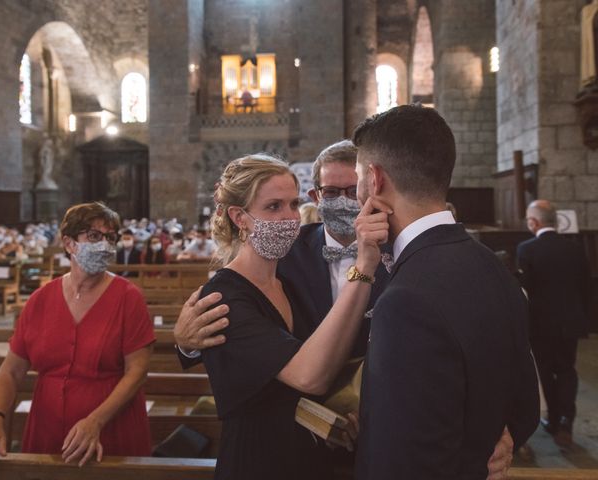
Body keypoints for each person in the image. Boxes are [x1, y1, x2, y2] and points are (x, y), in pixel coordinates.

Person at [174, 140, 515, 479]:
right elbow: (239, 328)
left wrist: (487, 423)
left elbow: (472, 340)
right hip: (280, 450)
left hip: (384, 438)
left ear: (372, 189)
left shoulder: (409, 254)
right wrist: (186, 344)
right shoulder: (286, 256)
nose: (289, 217)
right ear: (317, 197)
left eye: (353, 192)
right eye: (332, 191)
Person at [352, 105, 539, 479]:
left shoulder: (405, 300)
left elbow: (402, 461)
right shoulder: (493, 265)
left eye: (358, 176)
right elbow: (526, 408)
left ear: (374, 180)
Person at [198, 153, 388, 480]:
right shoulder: (225, 296)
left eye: (293, 205)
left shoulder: (285, 282)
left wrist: (346, 407)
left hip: (310, 453)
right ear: (239, 217)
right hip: (258, 459)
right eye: (273, 207)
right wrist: (364, 268)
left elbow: (329, 352)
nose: (289, 218)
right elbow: (308, 375)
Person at [0, 202, 155, 475]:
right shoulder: (41, 300)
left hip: (111, 431)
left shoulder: (128, 297)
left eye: (110, 237)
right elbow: (11, 371)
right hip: (47, 431)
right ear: (69, 243)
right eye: (94, 236)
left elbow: (138, 371)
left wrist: (96, 421)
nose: (105, 245)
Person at [517, 199, 591, 448]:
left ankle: (553, 420)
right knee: (568, 369)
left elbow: (525, 289)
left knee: (546, 370)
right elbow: (586, 287)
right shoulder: (575, 249)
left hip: (541, 323)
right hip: (571, 321)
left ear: (533, 222)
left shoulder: (526, 249)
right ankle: (566, 421)